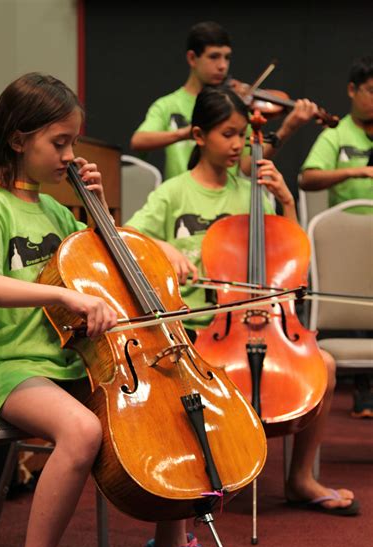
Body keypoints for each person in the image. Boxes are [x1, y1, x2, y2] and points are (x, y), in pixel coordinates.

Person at [0, 73, 247, 547]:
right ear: (19, 139)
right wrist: (61, 295)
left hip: (69, 365)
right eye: (59, 143)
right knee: (83, 430)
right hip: (5, 364)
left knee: (172, 410)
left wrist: (102, 215)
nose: (70, 155)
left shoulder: (60, 213)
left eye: (73, 144)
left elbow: (102, 263)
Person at [125, 85, 360, 518]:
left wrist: (286, 200)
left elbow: (290, 255)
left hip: (256, 319)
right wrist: (164, 246)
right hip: (193, 324)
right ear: (199, 136)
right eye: (227, 135)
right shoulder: (173, 193)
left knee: (322, 366)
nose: (238, 146)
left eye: (241, 136)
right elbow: (127, 237)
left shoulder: (251, 191)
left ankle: (300, 477)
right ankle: (208, 475)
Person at [130, 20, 319, 180]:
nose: (222, 66)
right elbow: (139, 141)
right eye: (214, 57)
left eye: (227, 58)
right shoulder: (168, 105)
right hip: (182, 200)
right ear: (192, 58)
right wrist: (186, 133)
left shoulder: (234, 107)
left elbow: (247, 167)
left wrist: (286, 130)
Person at [299, 54, 373, 418]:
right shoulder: (336, 134)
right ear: (352, 90)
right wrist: (357, 173)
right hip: (346, 240)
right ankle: (363, 387)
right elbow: (308, 177)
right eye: (371, 92)